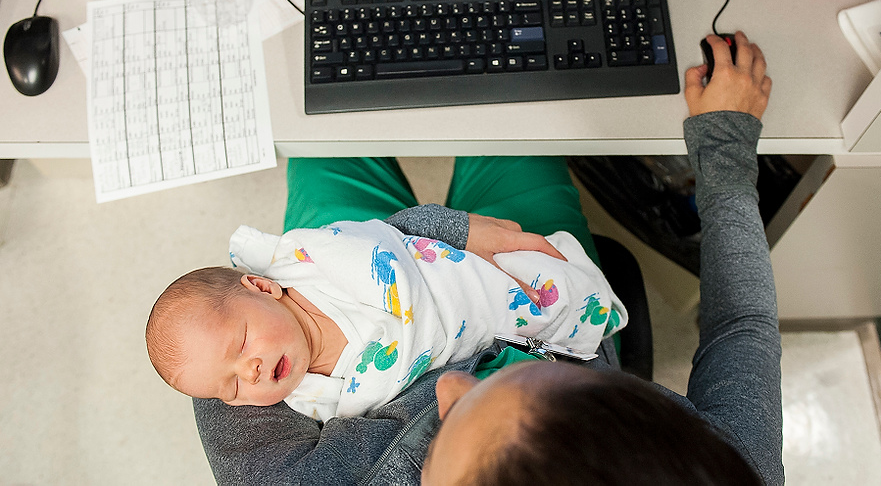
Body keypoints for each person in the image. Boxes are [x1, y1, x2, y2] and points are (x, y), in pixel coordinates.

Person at [191, 31, 783, 485]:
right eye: (555, 386)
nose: (450, 386)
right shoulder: (730, 468)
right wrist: (724, 143)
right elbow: (742, 326)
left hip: (334, 313)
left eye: (435, 453)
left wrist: (249, 327)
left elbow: (216, 355)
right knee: (514, 96)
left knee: (321, 130)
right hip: (539, 296)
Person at [145, 217, 626, 422]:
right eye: (231, 389)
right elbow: (369, 407)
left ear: (263, 287)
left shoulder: (309, 260)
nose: (249, 373)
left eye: (242, 344)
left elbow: (382, 247)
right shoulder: (312, 399)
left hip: (453, 281)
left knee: (539, 287)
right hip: (479, 351)